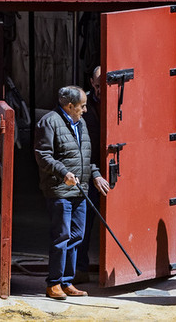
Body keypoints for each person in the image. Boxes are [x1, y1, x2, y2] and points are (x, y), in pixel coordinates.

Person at [34, 85, 111, 300]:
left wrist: (94, 174)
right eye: (82, 106)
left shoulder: (81, 123)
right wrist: (64, 173)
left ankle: (67, 281)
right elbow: (43, 156)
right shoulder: (49, 122)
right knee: (62, 236)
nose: (85, 110)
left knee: (77, 235)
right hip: (60, 190)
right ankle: (54, 283)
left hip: (80, 189)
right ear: (69, 106)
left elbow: (85, 157)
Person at [75, 67, 102, 282]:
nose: (101, 89)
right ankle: (80, 269)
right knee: (84, 220)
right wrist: (93, 171)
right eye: (98, 84)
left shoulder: (122, 101)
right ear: (92, 82)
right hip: (89, 169)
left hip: (116, 167)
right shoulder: (83, 106)